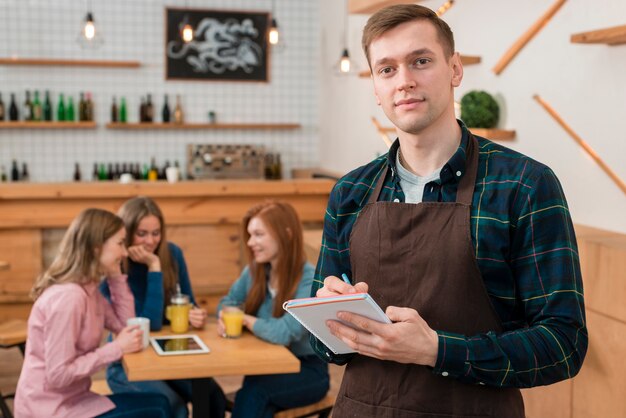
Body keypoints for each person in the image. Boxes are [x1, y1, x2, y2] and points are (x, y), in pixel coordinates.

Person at [310, 4, 588, 417]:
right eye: (386, 69)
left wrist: (438, 350)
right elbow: (321, 346)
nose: (404, 81)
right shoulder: (350, 191)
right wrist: (330, 321)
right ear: (375, 86)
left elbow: (563, 344)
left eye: (420, 61)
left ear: (454, 70)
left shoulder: (524, 186)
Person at [14, 208, 170, 418]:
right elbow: (58, 375)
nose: (125, 252)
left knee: (159, 404)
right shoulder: (69, 298)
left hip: (76, 402)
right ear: (96, 249)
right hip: (50, 411)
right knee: (158, 408)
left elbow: (126, 326)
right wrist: (115, 348)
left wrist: (116, 276)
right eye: (120, 243)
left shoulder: (89, 289)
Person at [100, 196, 225, 418]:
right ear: (126, 233)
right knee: (173, 406)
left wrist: (194, 315)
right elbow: (150, 325)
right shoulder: (114, 267)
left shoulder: (173, 254)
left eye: (156, 233)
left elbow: (189, 302)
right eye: (142, 233)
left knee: (212, 395)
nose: (150, 241)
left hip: (169, 354)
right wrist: (154, 268)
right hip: (127, 364)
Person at [217, 201, 329, 418]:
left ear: (285, 234)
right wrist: (225, 316)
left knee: (254, 395)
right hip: (265, 367)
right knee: (258, 404)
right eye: (250, 235)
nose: (250, 242)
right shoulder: (255, 272)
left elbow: (284, 332)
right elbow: (227, 302)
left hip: (307, 371)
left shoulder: (309, 280)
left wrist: (246, 320)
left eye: (258, 234)